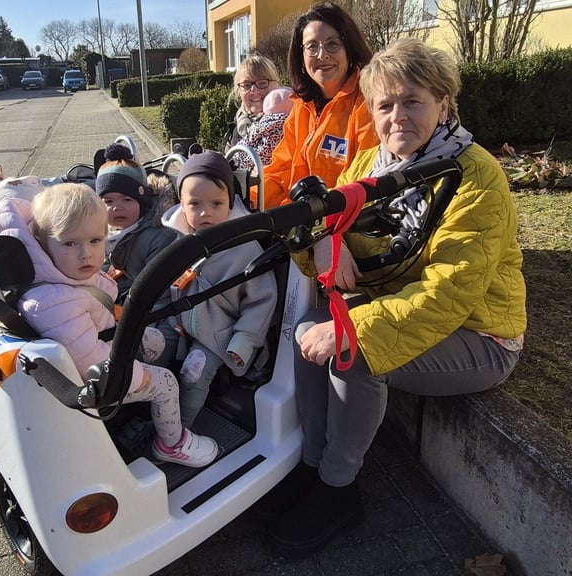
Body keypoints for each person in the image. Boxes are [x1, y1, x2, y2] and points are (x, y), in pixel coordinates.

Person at [263, 37, 527, 556]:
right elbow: (326, 223)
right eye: (384, 105)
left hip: (480, 332)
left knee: (352, 349)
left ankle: (339, 489)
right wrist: (326, 243)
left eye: (413, 101)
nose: (397, 115)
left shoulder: (475, 175)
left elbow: (450, 290)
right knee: (306, 329)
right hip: (410, 310)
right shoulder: (370, 163)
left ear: (443, 105)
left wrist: (356, 327)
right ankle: (314, 464)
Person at [0, 178, 219, 467]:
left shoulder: (63, 274)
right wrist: (141, 377)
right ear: (42, 243)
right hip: (96, 376)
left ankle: (147, 396)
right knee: (167, 382)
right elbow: (88, 363)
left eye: (95, 241)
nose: (86, 253)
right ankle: (171, 443)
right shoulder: (53, 301)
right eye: (70, 243)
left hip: (101, 338)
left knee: (156, 340)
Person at [160, 151, 278, 427]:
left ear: (230, 202)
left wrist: (244, 341)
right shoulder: (176, 239)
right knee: (149, 352)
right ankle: (145, 413)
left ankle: (175, 433)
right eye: (195, 204)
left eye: (216, 203)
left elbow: (262, 301)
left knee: (193, 372)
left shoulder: (244, 247)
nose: (206, 213)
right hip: (178, 321)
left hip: (219, 331)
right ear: (182, 204)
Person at [259, 2, 378, 209]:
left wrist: (310, 213)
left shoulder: (367, 104)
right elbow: (281, 170)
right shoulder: (301, 106)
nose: (322, 55)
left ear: (349, 48)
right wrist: (249, 200)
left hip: (342, 224)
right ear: (301, 55)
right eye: (312, 46)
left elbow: (364, 179)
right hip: (298, 219)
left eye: (332, 44)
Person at [95, 143, 181, 367]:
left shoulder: (158, 237)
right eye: (108, 201)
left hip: (157, 319)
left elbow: (157, 295)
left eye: (127, 200)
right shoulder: (101, 233)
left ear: (142, 202)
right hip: (118, 310)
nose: (117, 208)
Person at [223, 55, 282, 152]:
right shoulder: (236, 126)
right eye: (246, 85)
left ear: (277, 85)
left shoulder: (288, 123)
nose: (254, 90)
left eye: (262, 83)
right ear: (239, 91)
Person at [235, 87, 294, 176]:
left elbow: (246, 141)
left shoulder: (259, 125)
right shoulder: (293, 126)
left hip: (253, 162)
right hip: (279, 169)